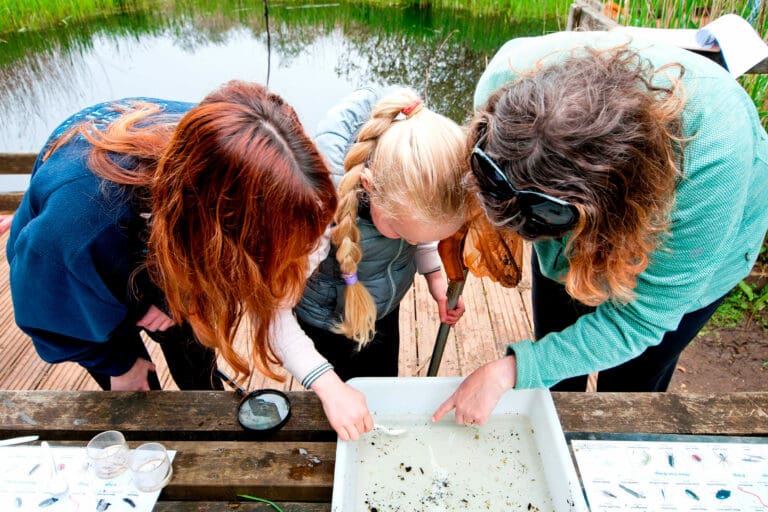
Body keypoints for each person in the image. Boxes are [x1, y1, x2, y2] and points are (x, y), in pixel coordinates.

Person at [433, 31, 768, 427]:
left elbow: (642, 319)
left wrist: (510, 370)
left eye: (550, 226)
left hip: (694, 235)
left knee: (631, 386)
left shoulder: (714, 159)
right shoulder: (504, 78)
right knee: (557, 355)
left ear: (615, 204)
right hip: (579, 202)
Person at [6, 81, 337, 392]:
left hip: (172, 228)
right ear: (218, 217)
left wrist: (174, 300)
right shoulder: (76, 232)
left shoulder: (235, 141)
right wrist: (118, 364)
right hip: (91, 260)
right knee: (137, 387)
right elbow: (44, 317)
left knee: (191, 342)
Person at [270, 86, 469, 441]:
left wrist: (434, 273)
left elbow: (420, 228)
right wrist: (327, 385)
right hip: (324, 322)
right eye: (401, 232)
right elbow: (272, 316)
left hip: (382, 307)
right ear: (369, 187)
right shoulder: (316, 209)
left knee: (378, 389)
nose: (413, 242)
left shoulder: (414, 154)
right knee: (330, 412)